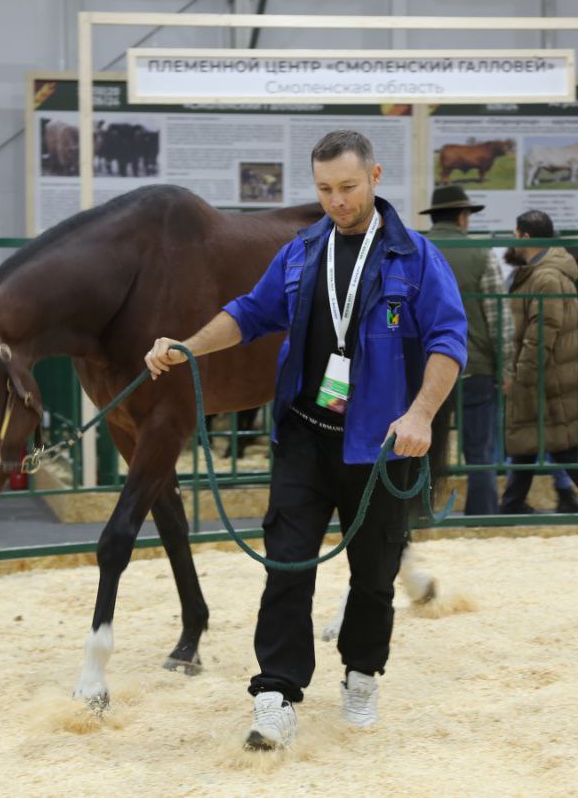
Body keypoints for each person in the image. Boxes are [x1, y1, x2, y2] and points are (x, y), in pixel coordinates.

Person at [145, 130, 467, 750]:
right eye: (324, 189)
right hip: (303, 439)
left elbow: (448, 342)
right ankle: (276, 695)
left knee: (373, 576)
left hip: (381, 449)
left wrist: (422, 415)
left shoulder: (417, 257)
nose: (336, 201)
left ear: (374, 176)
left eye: (347, 187)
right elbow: (248, 312)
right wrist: (188, 347)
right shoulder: (300, 252)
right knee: (287, 567)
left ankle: (363, 676)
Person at [499, 210, 578, 514]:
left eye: (514, 234)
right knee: (540, 443)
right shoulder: (541, 273)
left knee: (558, 445)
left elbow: (541, 334)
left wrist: (522, 374)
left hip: (549, 377)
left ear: (525, 236)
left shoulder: (546, 277)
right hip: (551, 375)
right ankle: (513, 506)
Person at [419, 185, 513, 516]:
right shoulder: (482, 253)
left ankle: (417, 512)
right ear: (462, 217)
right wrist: (506, 367)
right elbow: (498, 316)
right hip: (474, 367)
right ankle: (483, 515)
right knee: (480, 450)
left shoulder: (417, 250)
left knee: (420, 445)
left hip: (425, 370)